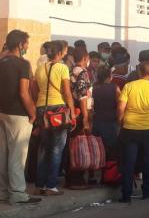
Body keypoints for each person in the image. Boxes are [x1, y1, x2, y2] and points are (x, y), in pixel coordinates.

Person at [0, 30, 40, 205]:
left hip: (2, 112)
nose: (27, 46)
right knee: (17, 155)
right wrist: (33, 114)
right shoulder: (23, 64)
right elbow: (24, 93)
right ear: (20, 45)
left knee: (3, 155)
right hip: (18, 114)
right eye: (26, 43)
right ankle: (17, 193)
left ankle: (3, 191)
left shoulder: (1, 61)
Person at [117, 62, 149, 203]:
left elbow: (120, 109)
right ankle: (147, 192)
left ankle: (126, 195)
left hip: (129, 129)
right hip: (148, 131)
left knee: (129, 162)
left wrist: (119, 124)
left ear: (138, 72)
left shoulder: (128, 87)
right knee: (148, 162)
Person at [34, 40, 76, 196]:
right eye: (64, 51)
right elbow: (66, 92)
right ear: (59, 53)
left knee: (45, 149)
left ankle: (40, 185)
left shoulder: (39, 68)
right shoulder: (63, 68)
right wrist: (71, 111)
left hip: (41, 109)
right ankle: (51, 185)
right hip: (57, 110)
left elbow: (34, 90)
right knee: (57, 149)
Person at [67, 47, 93, 189]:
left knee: (72, 146)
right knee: (79, 146)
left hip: (73, 111)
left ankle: (70, 179)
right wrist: (85, 117)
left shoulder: (70, 71)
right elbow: (83, 96)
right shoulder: (82, 73)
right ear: (84, 58)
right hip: (80, 112)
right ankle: (77, 180)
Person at [92, 66, 120, 162]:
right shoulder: (114, 87)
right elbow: (119, 103)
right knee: (111, 148)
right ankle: (109, 171)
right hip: (110, 121)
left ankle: (96, 168)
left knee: (97, 147)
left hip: (96, 120)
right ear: (109, 76)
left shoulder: (94, 87)